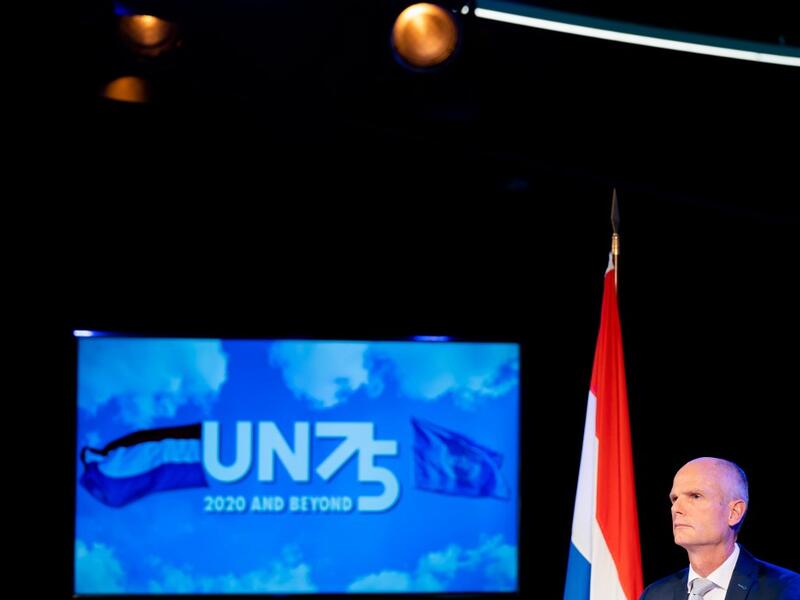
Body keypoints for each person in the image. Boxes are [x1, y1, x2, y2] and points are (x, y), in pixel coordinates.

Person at [640, 457, 799, 600]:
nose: (676, 508)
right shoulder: (654, 595)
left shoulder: (786, 590)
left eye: (695, 496)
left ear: (734, 512)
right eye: (674, 499)